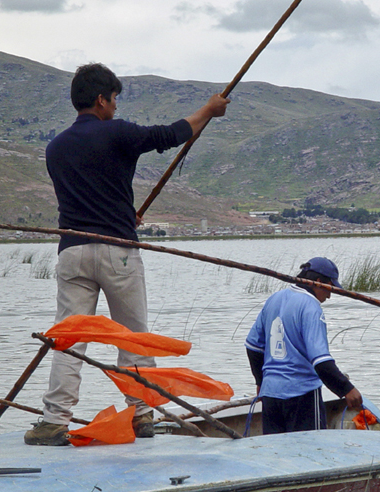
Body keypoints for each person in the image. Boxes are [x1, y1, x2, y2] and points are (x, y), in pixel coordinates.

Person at [25, 63, 230, 446]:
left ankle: (54, 420)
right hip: (118, 250)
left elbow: (89, 193)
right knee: (134, 338)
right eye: (114, 99)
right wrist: (208, 111)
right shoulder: (117, 132)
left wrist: (121, 211)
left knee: (70, 339)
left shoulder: (55, 148)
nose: (116, 107)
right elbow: (170, 135)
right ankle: (141, 415)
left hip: (73, 251)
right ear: (101, 99)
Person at [245, 258, 364, 434]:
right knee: (310, 452)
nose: (330, 295)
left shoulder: (275, 298)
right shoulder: (311, 307)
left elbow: (253, 346)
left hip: (271, 396)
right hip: (301, 395)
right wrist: (347, 389)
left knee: (276, 454)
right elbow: (321, 361)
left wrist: (261, 382)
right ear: (318, 282)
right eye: (330, 287)